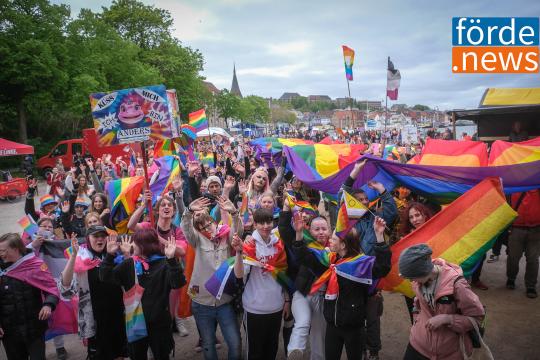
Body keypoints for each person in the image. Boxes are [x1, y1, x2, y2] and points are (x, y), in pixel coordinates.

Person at [295, 218, 391, 360]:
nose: (330, 241)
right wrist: (298, 234)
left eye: (333, 239)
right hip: (332, 325)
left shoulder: (360, 264)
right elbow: (306, 258)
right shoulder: (329, 261)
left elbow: (383, 268)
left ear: (343, 245)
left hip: (354, 327)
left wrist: (379, 236)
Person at [100, 228, 185, 360]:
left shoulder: (163, 264)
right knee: (137, 356)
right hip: (135, 321)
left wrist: (172, 259)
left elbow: (178, 283)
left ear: (144, 245)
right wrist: (110, 255)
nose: (132, 245)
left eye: (135, 242)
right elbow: (105, 276)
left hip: (159, 324)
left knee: (162, 355)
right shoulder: (130, 263)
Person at [181, 196, 243, 360]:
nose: (207, 229)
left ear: (214, 222)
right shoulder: (196, 239)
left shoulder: (225, 234)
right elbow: (186, 228)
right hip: (202, 302)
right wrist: (188, 211)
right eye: (202, 227)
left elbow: (238, 233)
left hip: (224, 301)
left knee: (235, 344)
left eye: (209, 224)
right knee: (208, 345)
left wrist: (235, 214)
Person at [399, 244, 486, 360]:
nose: (410, 281)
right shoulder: (418, 281)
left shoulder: (457, 285)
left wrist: (447, 319)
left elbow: (477, 318)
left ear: (424, 271)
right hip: (417, 345)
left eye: (412, 277)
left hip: (449, 352)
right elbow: (417, 304)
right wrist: (417, 322)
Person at [59, 226, 128, 360]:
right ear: (88, 239)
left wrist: (125, 255)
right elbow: (66, 288)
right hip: (95, 318)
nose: (100, 239)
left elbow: (128, 281)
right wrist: (73, 256)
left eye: (103, 236)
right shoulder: (81, 258)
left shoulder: (115, 254)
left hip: (117, 314)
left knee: (119, 353)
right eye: (96, 236)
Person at [232, 208, 291, 360]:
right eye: (261, 223)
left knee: (271, 349)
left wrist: (286, 300)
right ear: (255, 224)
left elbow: (282, 274)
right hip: (254, 309)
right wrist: (239, 252)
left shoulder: (278, 244)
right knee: (255, 352)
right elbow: (239, 274)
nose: (266, 226)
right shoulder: (249, 245)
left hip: (276, 306)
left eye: (269, 222)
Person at [0, 233, 59, 360]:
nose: (1, 254)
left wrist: (48, 305)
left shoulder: (35, 265)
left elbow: (52, 289)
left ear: (15, 249)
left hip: (34, 329)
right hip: (10, 333)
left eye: (3, 251)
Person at [506, 190, 540, 298]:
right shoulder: (515, 187)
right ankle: (511, 279)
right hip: (516, 228)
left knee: (533, 259)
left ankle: (531, 286)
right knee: (513, 257)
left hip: (536, 229)